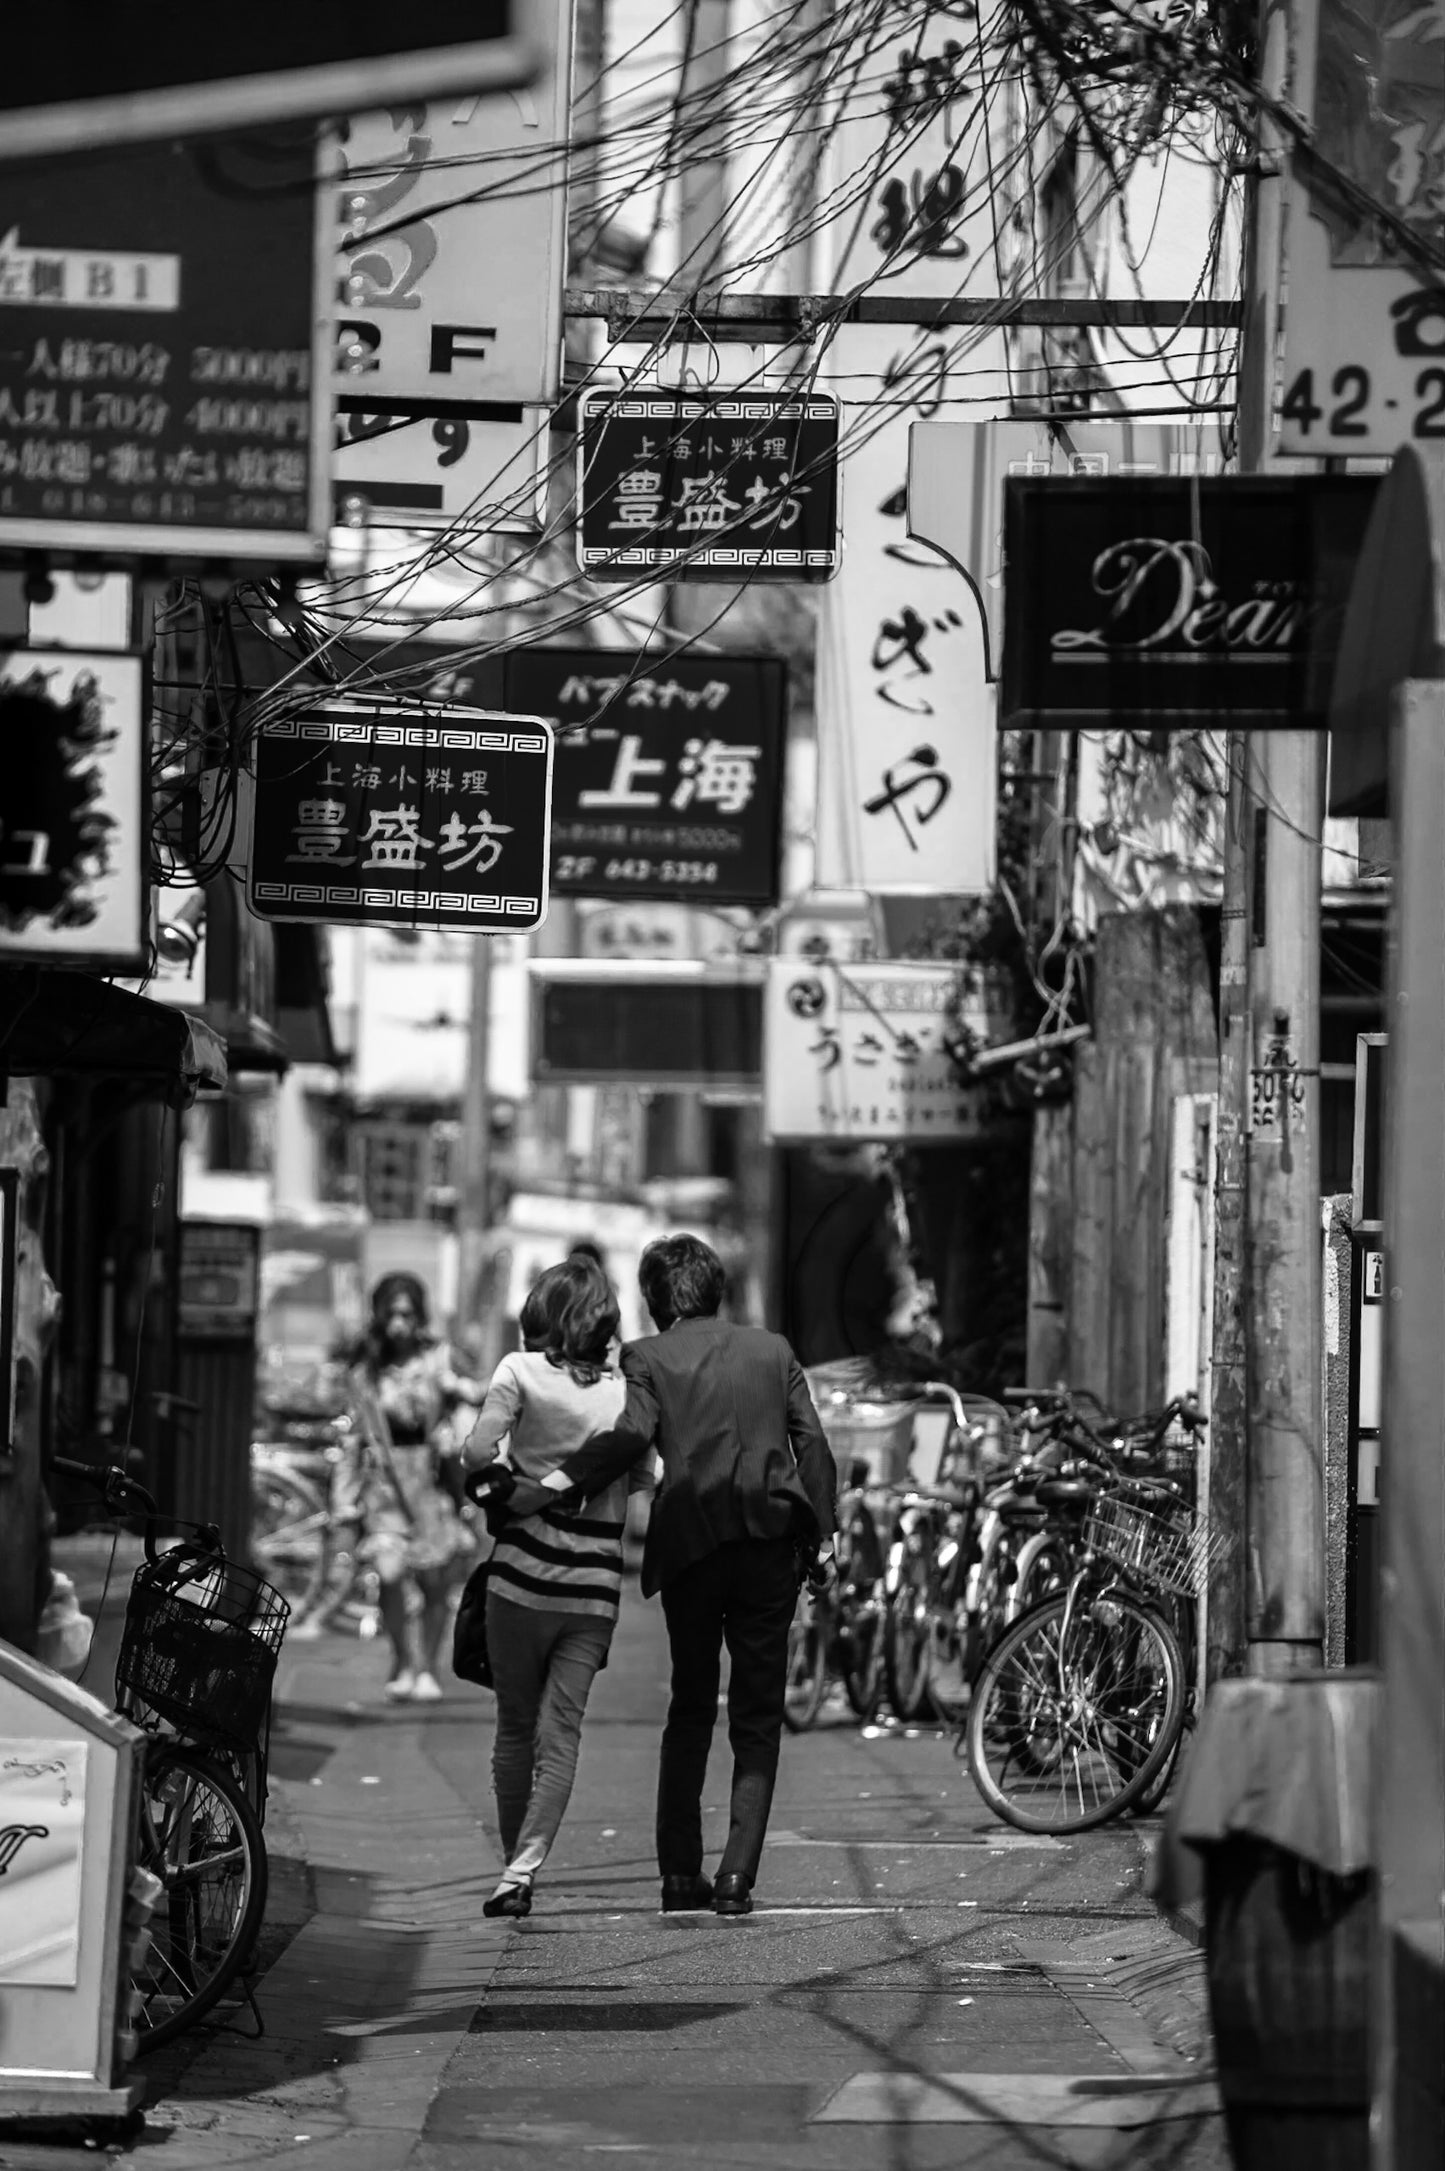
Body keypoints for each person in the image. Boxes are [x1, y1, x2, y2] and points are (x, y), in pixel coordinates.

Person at [495, 1233, 837, 1919]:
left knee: (688, 1704)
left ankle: (681, 1873)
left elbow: (629, 1434)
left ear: (653, 1303)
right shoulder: (773, 1351)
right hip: (771, 1545)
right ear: (718, 1292)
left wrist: (553, 1485)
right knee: (756, 1716)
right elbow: (813, 1444)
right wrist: (823, 1537)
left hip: (690, 1545)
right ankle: (736, 1875)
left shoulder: (646, 1358)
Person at [461, 1254, 649, 1919]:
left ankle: (515, 1872)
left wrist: (512, 1476)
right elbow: (645, 1478)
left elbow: (478, 1455)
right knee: (560, 1732)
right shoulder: (628, 1391)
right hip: (591, 1593)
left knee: (514, 1726)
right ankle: (522, 1867)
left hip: (517, 1580)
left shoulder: (518, 1372)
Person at [338, 1273, 481, 1703]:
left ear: (420, 1315)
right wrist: (344, 1502)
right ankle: (401, 1657)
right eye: (392, 1313)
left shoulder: (440, 1358)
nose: (400, 1321)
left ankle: (425, 1668)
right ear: (379, 1316)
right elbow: (352, 1438)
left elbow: (471, 1398)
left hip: (431, 1482)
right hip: (385, 1487)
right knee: (390, 1573)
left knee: (435, 1581)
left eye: (408, 1312)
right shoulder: (367, 1368)